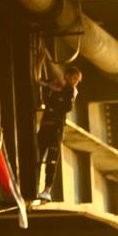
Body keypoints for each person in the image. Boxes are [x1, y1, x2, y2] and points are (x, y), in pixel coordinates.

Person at [33, 46, 82, 202]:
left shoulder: (71, 91)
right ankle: (33, 187)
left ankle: (47, 190)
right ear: (68, 75)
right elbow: (37, 78)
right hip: (46, 125)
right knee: (38, 156)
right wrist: (39, 62)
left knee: (52, 159)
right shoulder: (56, 85)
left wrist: (48, 56)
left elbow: (58, 76)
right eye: (73, 78)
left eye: (76, 80)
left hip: (57, 128)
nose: (74, 82)